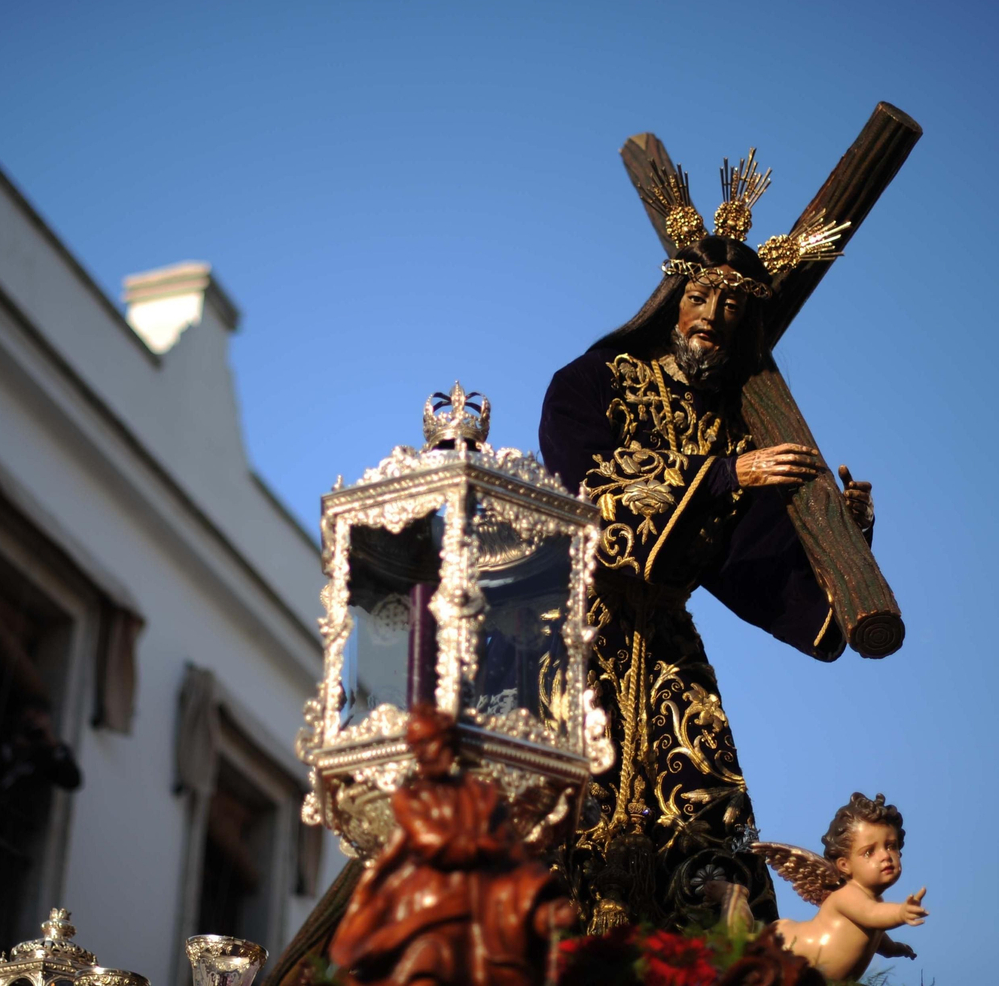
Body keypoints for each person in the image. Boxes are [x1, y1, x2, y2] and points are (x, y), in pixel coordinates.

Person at [539, 225, 875, 932]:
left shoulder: (733, 426)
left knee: (707, 814)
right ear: (670, 301)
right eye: (699, 298)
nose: (713, 319)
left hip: (666, 647)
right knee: (553, 813)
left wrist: (839, 537)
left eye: (732, 310)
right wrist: (723, 475)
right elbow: (591, 490)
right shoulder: (595, 381)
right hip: (572, 629)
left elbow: (758, 556)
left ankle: (723, 954)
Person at [329, 707, 576, 986]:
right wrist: (482, 843)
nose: (422, 753)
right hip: (429, 897)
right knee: (428, 960)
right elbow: (432, 842)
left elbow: (509, 849)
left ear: (447, 743)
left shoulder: (481, 794)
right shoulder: (409, 798)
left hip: (481, 894)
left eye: (427, 743)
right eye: (416, 746)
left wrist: (542, 899)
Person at [772, 793, 926, 981]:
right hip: (791, 948)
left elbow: (874, 932)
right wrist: (901, 913)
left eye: (891, 846)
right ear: (844, 865)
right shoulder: (848, 895)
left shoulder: (874, 902)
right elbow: (872, 914)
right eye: (869, 852)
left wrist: (894, 949)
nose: (885, 856)